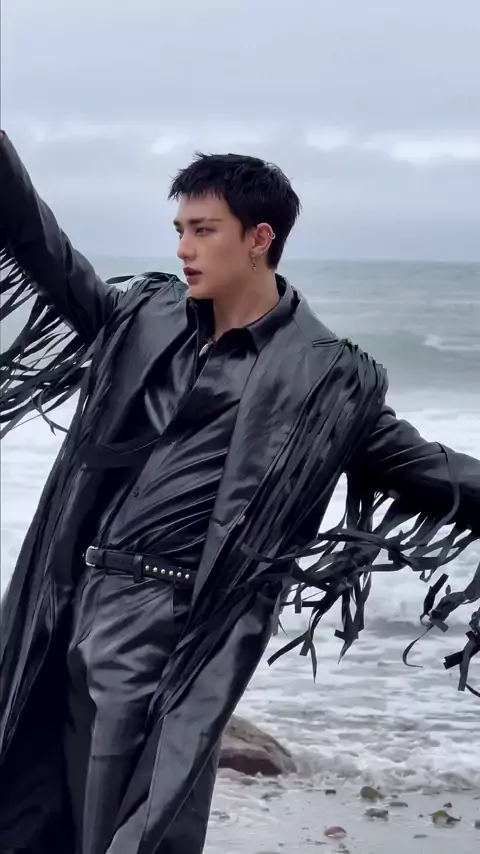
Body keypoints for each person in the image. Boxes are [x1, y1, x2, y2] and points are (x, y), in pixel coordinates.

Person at [0, 130, 479, 854]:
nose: (184, 249)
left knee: (126, 831)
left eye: (204, 230)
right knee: (42, 814)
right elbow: (48, 254)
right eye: (179, 230)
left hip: (166, 623)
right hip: (67, 600)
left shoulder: (324, 380)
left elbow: (429, 469)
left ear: (259, 238)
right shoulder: (145, 318)